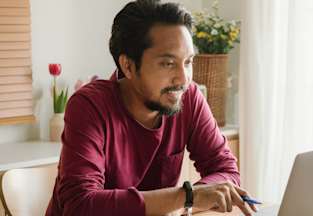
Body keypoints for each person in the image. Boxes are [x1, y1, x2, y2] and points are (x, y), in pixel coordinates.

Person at [46, 0, 257, 215]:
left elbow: (225, 170)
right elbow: (81, 206)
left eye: (188, 62)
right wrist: (186, 197)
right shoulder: (89, 106)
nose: (183, 79)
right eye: (168, 63)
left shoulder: (188, 97)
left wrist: (187, 202)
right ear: (128, 65)